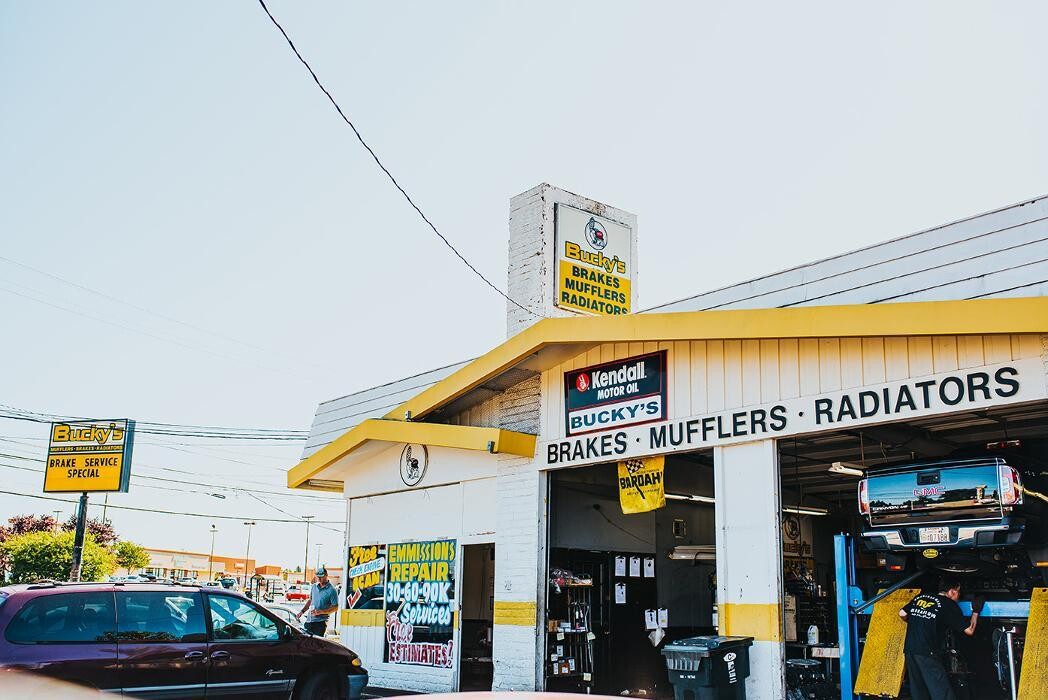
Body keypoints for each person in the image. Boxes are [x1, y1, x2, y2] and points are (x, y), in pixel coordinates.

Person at [899, 578, 985, 700]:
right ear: (952, 591)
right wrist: (976, 611)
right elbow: (969, 630)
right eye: (958, 592)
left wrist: (918, 621)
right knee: (942, 692)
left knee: (919, 692)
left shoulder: (922, 597)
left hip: (910, 648)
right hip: (927, 651)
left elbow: (902, 613)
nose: (958, 596)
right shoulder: (948, 604)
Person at [296, 566, 339, 636]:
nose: (319, 578)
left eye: (321, 576)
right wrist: (302, 611)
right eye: (318, 576)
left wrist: (320, 612)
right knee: (305, 641)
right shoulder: (314, 587)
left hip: (320, 623)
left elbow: (335, 607)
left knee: (317, 642)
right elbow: (310, 600)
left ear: (326, 575)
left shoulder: (332, 590)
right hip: (309, 621)